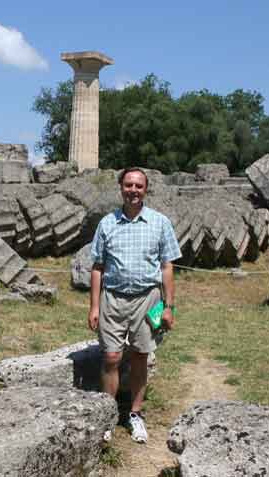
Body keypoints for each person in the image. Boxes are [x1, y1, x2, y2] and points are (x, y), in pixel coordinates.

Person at [88, 167, 182, 443]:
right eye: (128, 185)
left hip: (148, 298)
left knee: (142, 355)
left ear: (145, 189)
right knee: (111, 357)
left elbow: (167, 266)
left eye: (138, 186)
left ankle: (135, 414)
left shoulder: (159, 222)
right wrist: (94, 306)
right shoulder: (107, 223)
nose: (133, 190)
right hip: (113, 298)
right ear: (120, 187)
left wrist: (169, 306)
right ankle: (107, 414)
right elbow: (97, 267)